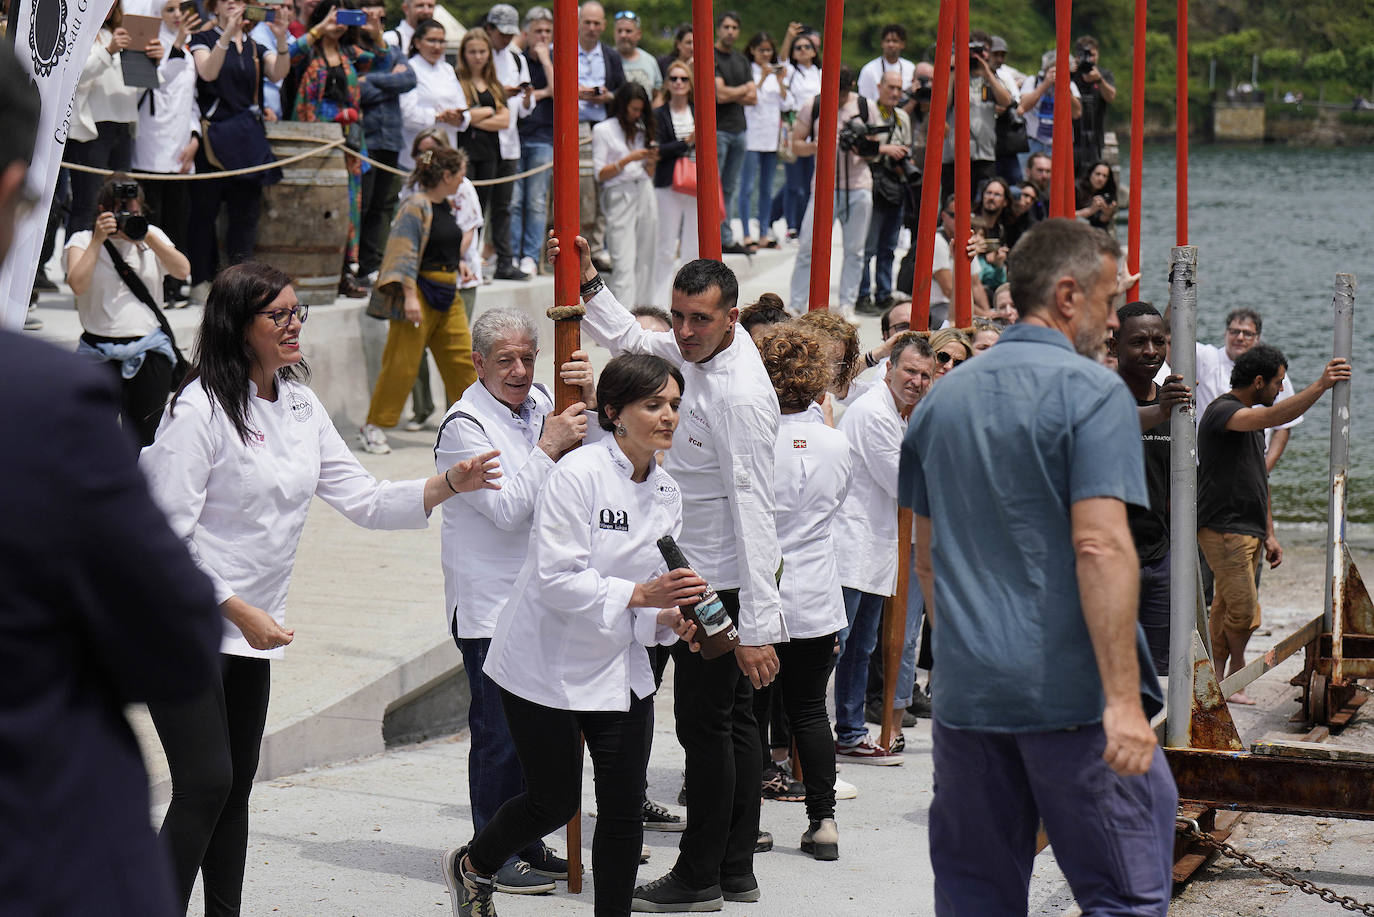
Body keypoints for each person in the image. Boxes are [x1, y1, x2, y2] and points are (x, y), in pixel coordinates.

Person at [138, 261, 500, 916]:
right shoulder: (198, 410)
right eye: (277, 314)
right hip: (183, 620)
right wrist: (238, 607)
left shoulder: (300, 406)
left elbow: (364, 498)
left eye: (296, 310)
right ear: (237, 326)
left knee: (233, 788)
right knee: (204, 783)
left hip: (253, 631)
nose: (293, 323)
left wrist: (450, 484)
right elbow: (162, 537)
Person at [902, 218, 1176, 915]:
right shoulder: (1094, 391)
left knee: (976, 897)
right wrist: (1122, 700)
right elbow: (1102, 546)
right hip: (1071, 697)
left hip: (969, 698)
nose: (1114, 321)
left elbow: (926, 557)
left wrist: (969, 656)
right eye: (1109, 300)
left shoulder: (940, 401)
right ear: (1065, 294)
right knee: (1125, 895)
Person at [0, 49, 219, 917]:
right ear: (17, 185)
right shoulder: (42, 408)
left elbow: (176, 270)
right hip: (43, 856)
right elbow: (171, 631)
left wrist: (145, 227)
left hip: (144, 358)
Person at [548, 235, 785, 912]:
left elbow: (758, 513)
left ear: (731, 317)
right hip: (691, 569)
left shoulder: (739, 394)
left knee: (707, 730)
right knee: (730, 726)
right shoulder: (686, 352)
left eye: (698, 319)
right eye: (678, 315)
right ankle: (733, 867)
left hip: (716, 583)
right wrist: (591, 284)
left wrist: (755, 627)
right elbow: (636, 337)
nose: (682, 330)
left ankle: (701, 874)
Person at [444, 353, 700, 917]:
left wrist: (671, 619)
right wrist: (641, 597)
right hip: (543, 664)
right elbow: (557, 579)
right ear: (613, 412)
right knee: (552, 800)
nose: (668, 417)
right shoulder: (575, 475)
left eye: (675, 405)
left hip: (619, 668)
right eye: (653, 404)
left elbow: (652, 595)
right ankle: (474, 865)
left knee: (623, 807)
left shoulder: (668, 494)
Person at [436, 307, 591, 897]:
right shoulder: (463, 426)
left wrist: (591, 398)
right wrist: (550, 447)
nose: (521, 370)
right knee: (498, 732)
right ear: (478, 362)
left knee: (535, 732)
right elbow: (504, 511)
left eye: (528, 357)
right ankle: (489, 855)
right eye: (506, 360)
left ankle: (522, 840)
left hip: (540, 600)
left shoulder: (543, 401)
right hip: (489, 606)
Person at [1198, 344, 1351, 704]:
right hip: (1224, 528)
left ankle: (1219, 684)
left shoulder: (1249, 415)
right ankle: (1237, 675)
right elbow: (1273, 419)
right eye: (1279, 382)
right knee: (1245, 612)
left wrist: (1269, 533)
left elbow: (1257, 480)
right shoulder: (1224, 412)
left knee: (1225, 608)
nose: (1281, 389)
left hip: (1248, 528)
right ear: (1258, 381)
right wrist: (1320, 386)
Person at [756, 323, 852, 859]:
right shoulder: (836, 443)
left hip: (764, 586)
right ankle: (824, 821)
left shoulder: (756, 439)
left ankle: (746, 823)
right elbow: (837, 505)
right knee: (811, 710)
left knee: (749, 711)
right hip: (815, 588)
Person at [831, 333, 934, 766]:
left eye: (926, 375)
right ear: (889, 367)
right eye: (910, 370)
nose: (917, 380)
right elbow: (903, 483)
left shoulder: (901, 414)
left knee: (861, 647)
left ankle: (851, 732)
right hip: (852, 546)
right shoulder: (874, 412)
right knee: (837, 646)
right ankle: (805, 739)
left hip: (875, 548)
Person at [359, 147, 480, 454]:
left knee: (463, 361)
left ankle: (477, 422)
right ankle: (374, 426)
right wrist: (410, 296)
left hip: (447, 293)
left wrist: (458, 264)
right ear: (446, 175)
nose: (463, 180)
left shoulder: (445, 206)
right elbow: (402, 250)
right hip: (419, 295)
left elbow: (441, 246)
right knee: (401, 364)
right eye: (460, 174)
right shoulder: (415, 204)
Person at [65, 175, 192, 446]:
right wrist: (98, 240)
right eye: (122, 213)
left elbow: (182, 271)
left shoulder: (152, 236)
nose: (128, 219)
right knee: (92, 441)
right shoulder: (82, 240)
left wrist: (146, 236)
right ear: (103, 211)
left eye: (134, 213)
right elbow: (77, 284)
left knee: (145, 441)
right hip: (97, 354)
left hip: (149, 353)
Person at [186, 0, 293, 303]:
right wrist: (225, 35)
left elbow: (278, 73)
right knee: (204, 212)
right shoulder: (203, 39)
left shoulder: (256, 46)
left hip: (247, 139)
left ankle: (238, 285)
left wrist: (282, 37)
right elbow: (207, 72)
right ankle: (202, 279)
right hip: (214, 138)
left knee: (244, 215)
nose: (234, 4)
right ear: (214, 7)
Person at [1111, 302, 1191, 676]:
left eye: (1159, 342)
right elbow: (1106, 424)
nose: (1150, 351)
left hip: (1158, 560)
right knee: (1107, 667)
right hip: (1107, 559)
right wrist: (1160, 413)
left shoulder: (1172, 403)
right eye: (1138, 341)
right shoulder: (1100, 396)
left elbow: (1179, 485)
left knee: (1160, 671)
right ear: (1114, 346)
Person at [286, 0, 371, 297]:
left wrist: (372, 27)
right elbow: (290, 54)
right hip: (315, 136)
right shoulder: (309, 49)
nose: (340, 23)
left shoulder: (351, 52)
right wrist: (319, 28)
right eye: (335, 16)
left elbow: (384, 58)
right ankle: (314, 269)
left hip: (348, 139)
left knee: (349, 206)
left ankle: (346, 270)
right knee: (316, 203)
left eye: (345, 17)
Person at [787, 66, 881, 315]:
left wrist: (858, 145)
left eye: (840, 92)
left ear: (850, 87)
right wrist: (819, 145)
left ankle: (847, 304)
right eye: (832, 91)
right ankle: (797, 304)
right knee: (807, 246)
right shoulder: (814, 105)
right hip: (823, 187)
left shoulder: (865, 106)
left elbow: (876, 150)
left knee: (855, 250)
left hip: (858, 184)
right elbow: (795, 145)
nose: (836, 98)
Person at [132, 0, 201, 306]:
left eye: (180, 8)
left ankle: (176, 282)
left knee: (179, 217)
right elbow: (151, 83)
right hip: (151, 145)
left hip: (181, 149)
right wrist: (174, 48)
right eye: (169, 9)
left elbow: (191, 99)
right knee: (153, 217)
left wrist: (196, 136)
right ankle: (154, 283)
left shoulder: (185, 50)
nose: (176, 15)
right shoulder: (147, 43)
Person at [67, 1, 145, 236]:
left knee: (122, 202)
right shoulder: (77, 32)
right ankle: (75, 263)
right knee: (87, 203)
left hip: (125, 126)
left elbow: (139, 86)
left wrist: (152, 63)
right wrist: (108, 50)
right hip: (92, 130)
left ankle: (112, 263)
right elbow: (75, 77)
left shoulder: (122, 34)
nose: (107, 6)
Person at [353, 0, 416, 284]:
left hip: (390, 137)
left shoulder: (391, 49)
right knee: (361, 204)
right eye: (365, 10)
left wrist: (371, 80)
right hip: (363, 138)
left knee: (381, 205)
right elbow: (356, 91)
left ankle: (370, 264)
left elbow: (409, 79)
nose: (370, 16)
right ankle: (352, 265)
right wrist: (386, 81)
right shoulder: (350, 46)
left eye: (375, 11)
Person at [1196, 307, 1300, 473]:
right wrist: (1176, 292)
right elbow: (1174, 334)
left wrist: (1264, 470)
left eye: (1247, 333)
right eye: (1234, 331)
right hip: (1207, 468)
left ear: (1257, 338)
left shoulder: (1274, 373)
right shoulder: (1207, 358)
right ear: (1225, 333)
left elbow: (1284, 425)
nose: (1240, 338)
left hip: (1252, 468)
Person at [594, 82, 658, 306]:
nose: (637, 114)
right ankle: (624, 319)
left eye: (640, 110)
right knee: (623, 259)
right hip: (619, 193)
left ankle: (646, 313)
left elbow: (648, 172)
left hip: (644, 189)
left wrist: (650, 160)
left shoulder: (641, 130)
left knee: (648, 256)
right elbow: (600, 173)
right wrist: (629, 158)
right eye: (633, 109)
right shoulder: (603, 130)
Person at [856, 70, 913, 316]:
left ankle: (883, 293)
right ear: (879, 87)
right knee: (868, 246)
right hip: (873, 182)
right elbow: (862, 149)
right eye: (891, 87)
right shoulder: (869, 112)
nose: (895, 93)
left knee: (889, 245)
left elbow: (906, 147)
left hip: (896, 184)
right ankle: (862, 294)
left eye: (899, 89)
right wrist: (886, 149)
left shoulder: (902, 117)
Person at [484, 3, 534, 281]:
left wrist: (525, 97)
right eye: (500, 33)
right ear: (489, 28)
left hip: (510, 139)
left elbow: (526, 108)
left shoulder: (517, 59)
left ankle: (506, 259)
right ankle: (472, 258)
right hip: (483, 138)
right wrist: (501, 93)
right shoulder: (479, 53)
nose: (504, 39)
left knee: (505, 205)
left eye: (508, 34)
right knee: (477, 204)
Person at [576, 1, 627, 271]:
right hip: (577, 126)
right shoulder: (563, 52)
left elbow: (621, 91)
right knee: (584, 192)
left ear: (603, 26)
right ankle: (585, 247)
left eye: (597, 23)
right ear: (579, 22)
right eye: (588, 22)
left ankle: (597, 248)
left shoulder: (610, 56)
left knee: (603, 186)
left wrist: (606, 95)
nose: (592, 28)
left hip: (603, 125)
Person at [941, 29, 1012, 204]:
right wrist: (954, 69)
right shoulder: (954, 76)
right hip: (955, 153)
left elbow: (1005, 101)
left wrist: (987, 72)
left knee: (980, 203)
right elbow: (942, 105)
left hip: (984, 153)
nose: (978, 55)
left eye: (983, 50)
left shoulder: (991, 78)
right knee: (953, 202)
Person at [510, 7, 554, 279]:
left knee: (536, 201)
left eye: (548, 32)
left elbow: (560, 91)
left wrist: (547, 62)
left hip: (543, 137)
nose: (543, 37)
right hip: (517, 135)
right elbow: (515, 95)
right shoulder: (518, 60)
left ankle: (529, 255)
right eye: (538, 31)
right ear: (527, 33)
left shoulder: (554, 60)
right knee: (514, 200)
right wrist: (544, 93)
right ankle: (513, 253)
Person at [652, 60, 699, 305]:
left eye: (683, 79)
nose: (678, 83)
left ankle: (688, 300)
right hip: (668, 184)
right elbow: (656, 150)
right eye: (674, 79)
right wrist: (686, 143)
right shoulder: (658, 114)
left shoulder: (699, 110)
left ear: (691, 84)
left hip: (694, 183)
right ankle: (660, 303)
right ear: (667, 84)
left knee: (693, 246)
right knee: (665, 246)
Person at [455, 29, 511, 221]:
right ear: (464, 54)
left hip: (489, 152)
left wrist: (472, 118)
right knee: (464, 205)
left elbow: (505, 120)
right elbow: (458, 118)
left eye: (482, 51)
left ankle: (476, 249)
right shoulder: (456, 80)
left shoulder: (495, 85)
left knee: (483, 206)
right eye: (472, 52)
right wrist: (489, 111)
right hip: (465, 151)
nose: (478, 57)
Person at [399, 18, 470, 170]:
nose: (437, 46)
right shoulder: (409, 69)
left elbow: (463, 108)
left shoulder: (448, 70)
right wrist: (438, 117)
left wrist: (458, 117)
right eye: (431, 40)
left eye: (441, 41)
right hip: (419, 150)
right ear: (417, 43)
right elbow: (407, 113)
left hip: (447, 149)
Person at [739, 32, 788, 250]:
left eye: (769, 50)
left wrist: (779, 80)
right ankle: (747, 233)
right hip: (751, 136)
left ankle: (764, 232)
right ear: (752, 50)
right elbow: (748, 99)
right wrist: (762, 78)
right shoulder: (747, 70)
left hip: (770, 136)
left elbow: (787, 104)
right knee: (747, 187)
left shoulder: (776, 74)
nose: (766, 54)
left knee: (767, 188)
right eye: (762, 50)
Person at [712, 10, 756, 255]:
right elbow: (720, 95)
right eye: (726, 27)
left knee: (730, 186)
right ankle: (713, 233)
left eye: (734, 28)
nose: (730, 31)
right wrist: (742, 90)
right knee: (714, 186)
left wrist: (732, 92)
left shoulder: (740, 60)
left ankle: (726, 236)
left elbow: (754, 97)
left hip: (740, 130)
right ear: (719, 29)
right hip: (718, 130)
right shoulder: (712, 56)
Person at [778, 25, 820, 240]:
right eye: (798, 47)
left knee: (810, 182)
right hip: (794, 127)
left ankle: (806, 225)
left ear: (814, 50)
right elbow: (781, 61)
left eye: (807, 46)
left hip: (815, 130)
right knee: (793, 182)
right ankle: (792, 225)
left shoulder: (821, 73)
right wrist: (789, 37)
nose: (803, 50)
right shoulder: (792, 73)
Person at [1018, 56, 1080, 173]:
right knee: (1028, 179)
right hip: (1033, 141)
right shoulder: (1033, 81)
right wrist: (1046, 83)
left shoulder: (1070, 85)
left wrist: (1065, 86)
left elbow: (1077, 113)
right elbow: (1023, 107)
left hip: (1058, 144)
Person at [1070, 35, 1116, 169]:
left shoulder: (1103, 74)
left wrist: (1099, 80)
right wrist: (1067, 73)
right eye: (1084, 55)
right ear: (1076, 56)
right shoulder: (1071, 74)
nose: (1089, 59)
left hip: (1095, 137)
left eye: (1092, 55)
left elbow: (1111, 97)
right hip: (1072, 136)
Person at [857, 23, 916, 102]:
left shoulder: (911, 68)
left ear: (902, 44)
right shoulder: (869, 70)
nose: (890, 44)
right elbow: (863, 100)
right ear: (882, 43)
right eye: (887, 41)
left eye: (895, 41)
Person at [614, 9, 661, 99]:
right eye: (619, 31)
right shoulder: (606, 59)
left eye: (628, 31)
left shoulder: (650, 61)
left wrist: (652, 112)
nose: (623, 35)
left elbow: (658, 94)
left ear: (638, 34)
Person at [1075, 159, 1118, 232]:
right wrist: (1090, 210)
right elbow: (1067, 215)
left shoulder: (1108, 194)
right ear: (1090, 173)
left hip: (1096, 232)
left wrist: (1107, 213)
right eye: (1098, 174)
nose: (1100, 179)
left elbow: (1100, 222)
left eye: (1105, 176)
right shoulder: (1076, 189)